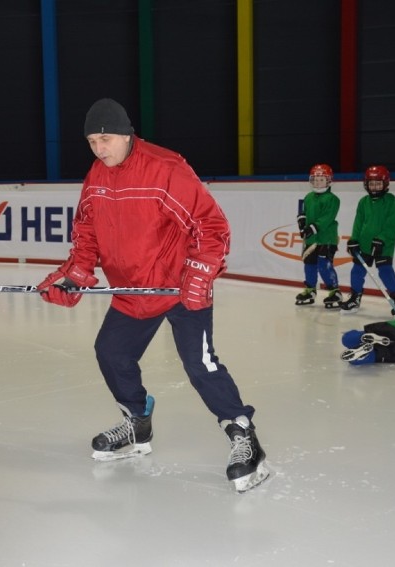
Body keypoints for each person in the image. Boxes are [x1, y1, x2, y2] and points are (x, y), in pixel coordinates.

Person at [36, 98, 268, 493]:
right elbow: (87, 230)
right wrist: (76, 271)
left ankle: (244, 435)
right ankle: (138, 423)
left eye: (105, 139)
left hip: (180, 287)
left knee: (200, 365)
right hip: (133, 289)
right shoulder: (97, 174)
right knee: (112, 354)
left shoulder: (165, 169)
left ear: (127, 135)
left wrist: (198, 273)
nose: (99, 148)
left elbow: (212, 226)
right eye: (92, 141)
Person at [339, 165, 395, 315]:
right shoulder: (363, 202)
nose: (374, 187)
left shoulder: (391, 201)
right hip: (364, 244)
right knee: (357, 271)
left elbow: (394, 223)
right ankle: (355, 298)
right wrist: (354, 239)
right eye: (371, 183)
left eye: (378, 183)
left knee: (385, 272)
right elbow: (358, 222)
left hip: (385, 245)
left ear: (385, 184)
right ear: (366, 184)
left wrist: (381, 239)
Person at [295, 163, 342, 309]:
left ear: (328, 181)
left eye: (321, 179)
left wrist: (312, 228)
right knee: (309, 265)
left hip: (326, 238)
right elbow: (304, 211)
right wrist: (302, 219)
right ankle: (310, 290)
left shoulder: (333, 199)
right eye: (315, 179)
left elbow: (327, 218)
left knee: (324, 265)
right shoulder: (308, 197)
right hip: (311, 239)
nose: (317, 182)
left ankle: (335, 291)